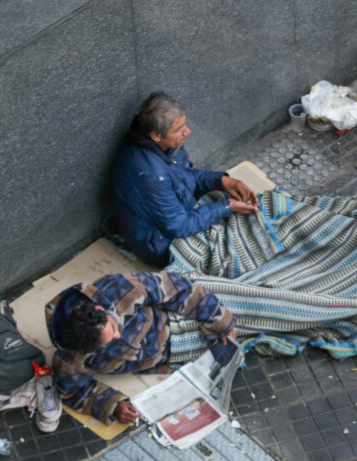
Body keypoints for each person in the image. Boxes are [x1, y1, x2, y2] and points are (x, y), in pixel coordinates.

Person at [45, 272, 235, 424]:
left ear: (99, 310)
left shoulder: (121, 289)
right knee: (224, 357)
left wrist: (219, 320)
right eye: (108, 342)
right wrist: (112, 405)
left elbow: (178, 288)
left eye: (113, 328)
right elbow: (74, 389)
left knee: (240, 320)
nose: (118, 336)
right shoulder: (70, 354)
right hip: (169, 358)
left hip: (176, 317)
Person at [110, 91, 258, 267]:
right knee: (236, 254)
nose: (187, 131)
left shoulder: (166, 144)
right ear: (156, 135)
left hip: (177, 212)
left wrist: (221, 181)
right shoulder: (149, 174)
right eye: (179, 129)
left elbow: (185, 176)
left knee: (249, 221)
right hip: (158, 244)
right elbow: (179, 226)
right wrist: (226, 207)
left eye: (184, 124)